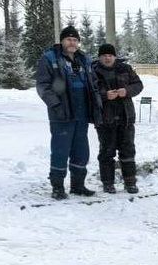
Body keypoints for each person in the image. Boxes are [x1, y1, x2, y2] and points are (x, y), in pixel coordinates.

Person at [35, 25, 103, 200]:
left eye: (75, 40)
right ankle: (57, 187)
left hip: (82, 113)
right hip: (62, 113)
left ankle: (78, 185)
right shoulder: (50, 58)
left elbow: (93, 84)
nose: (72, 43)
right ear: (62, 41)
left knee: (81, 150)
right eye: (68, 39)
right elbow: (43, 86)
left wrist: (96, 104)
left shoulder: (84, 60)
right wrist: (55, 105)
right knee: (60, 151)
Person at [92, 43, 144, 194]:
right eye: (104, 55)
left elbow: (138, 85)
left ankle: (130, 182)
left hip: (125, 117)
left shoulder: (125, 69)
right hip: (104, 119)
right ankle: (108, 183)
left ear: (114, 56)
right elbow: (89, 93)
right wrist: (104, 96)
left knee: (128, 151)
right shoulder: (93, 71)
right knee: (106, 152)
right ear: (99, 57)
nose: (107, 58)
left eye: (110, 55)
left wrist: (126, 91)